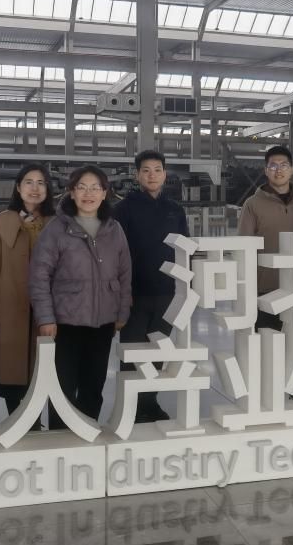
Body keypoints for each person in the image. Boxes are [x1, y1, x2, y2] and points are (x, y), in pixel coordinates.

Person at [30, 165, 132, 429]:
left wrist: (122, 312)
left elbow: (124, 273)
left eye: (95, 188)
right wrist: (45, 317)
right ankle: (60, 437)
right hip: (66, 323)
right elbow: (39, 275)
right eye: (82, 188)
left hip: (103, 322)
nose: (89, 194)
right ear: (72, 192)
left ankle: (88, 434)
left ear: (104, 193)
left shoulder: (114, 229)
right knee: (63, 387)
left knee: (93, 386)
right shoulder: (56, 229)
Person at [0, 164, 56, 425]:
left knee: (42, 369)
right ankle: (17, 422)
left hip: (47, 312)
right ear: (18, 188)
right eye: (29, 182)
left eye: (41, 183)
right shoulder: (2, 221)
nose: (35, 188)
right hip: (9, 309)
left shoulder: (57, 224)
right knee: (10, 368)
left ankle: (35, 423)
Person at [113, 150, 189, 423]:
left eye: (157, 170)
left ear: (165, 174)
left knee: (158, 350)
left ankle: (149, 402)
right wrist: (121, 293)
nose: (152, 175)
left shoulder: (175, 210)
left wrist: (185, 287)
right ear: (137, 175)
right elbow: (115, 253)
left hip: (168, 292)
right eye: (146, 170)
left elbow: (184, 249)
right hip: (134, 294)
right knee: (132, 352)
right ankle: (130, 407)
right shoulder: (123, 209)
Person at [237, 145, 293, 400]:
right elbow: (244, 247)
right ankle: (268, 395)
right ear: (265, 170)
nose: (278, 170)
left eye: (283, 165)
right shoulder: (252, 204)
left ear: (292, 169)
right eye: (273, 165)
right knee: (268, 343)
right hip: (266, 287)